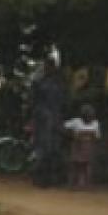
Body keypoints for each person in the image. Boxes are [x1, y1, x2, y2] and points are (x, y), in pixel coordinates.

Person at [30, 57, 66, 188]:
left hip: (56, 118)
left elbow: (62, 102)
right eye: (48, 66)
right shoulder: (39, 82)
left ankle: (54, 178)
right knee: (43, 148)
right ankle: (40, 178)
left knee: (55, 149)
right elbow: (34, 102)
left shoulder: (58, 82)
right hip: (43, 119)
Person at [64, 104, 100, 189]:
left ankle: (84, 184)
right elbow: (65, 127)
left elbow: (97, 137)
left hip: (85, 146)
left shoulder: (94, 123)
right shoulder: (77, 121)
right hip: (80, 145)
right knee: (78, 165)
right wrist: (71, 135)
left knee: (83, 166)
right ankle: (77, 184)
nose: (89, 117)